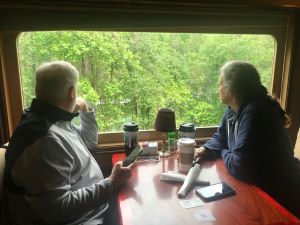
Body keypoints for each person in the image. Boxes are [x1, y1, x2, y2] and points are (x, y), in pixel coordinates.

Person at [4, 61, 133, 225]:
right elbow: (57, 210)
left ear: (38, 90)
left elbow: (89, 141)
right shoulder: (44, 140)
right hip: (84, 220)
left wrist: (85, 108)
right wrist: (112, 182)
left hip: (95, 209)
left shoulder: (53, 120)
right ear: (72, 92)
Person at [194, 61, 300, 217]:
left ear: (231, 88)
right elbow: (221, 136)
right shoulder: (232, 109)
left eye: (220, 84)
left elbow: (240, 166)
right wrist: (207, 148)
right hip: (260, 187)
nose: (218, 89)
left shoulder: (256, 113)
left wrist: (223, 151)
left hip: (283, 194)